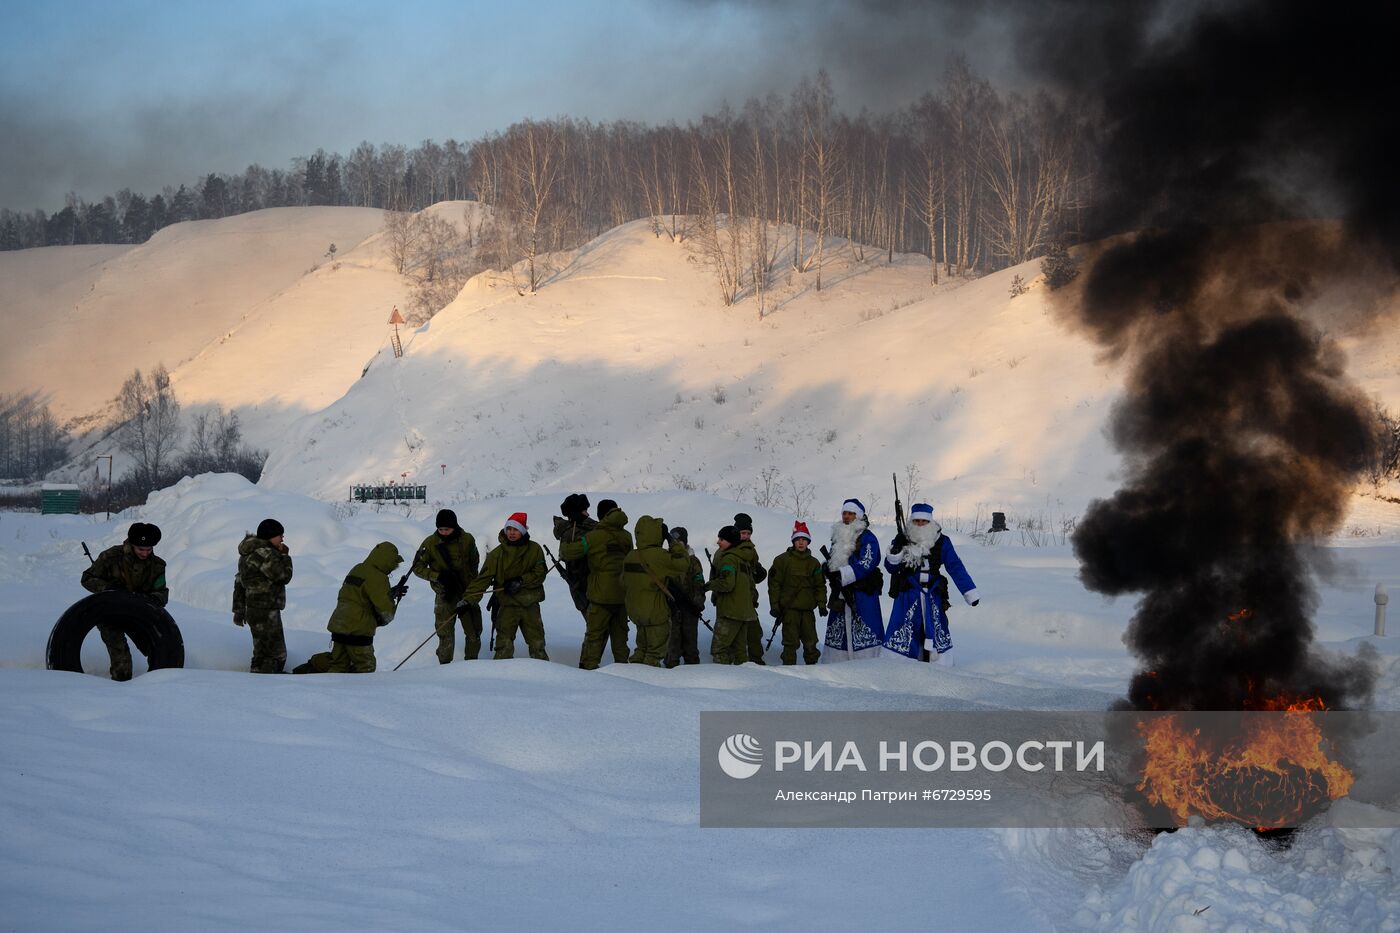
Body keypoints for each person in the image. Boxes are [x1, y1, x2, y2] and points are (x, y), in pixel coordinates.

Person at [883, 502, 980, 665]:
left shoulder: (942, 541)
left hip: (933, 595)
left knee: (934, 629)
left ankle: (937, 666)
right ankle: (898, 666)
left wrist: (969, 592)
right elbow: (890, 568)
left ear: (930, 522)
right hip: (908, 595)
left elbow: (955, 566)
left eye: (924, 521)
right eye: (916, 521)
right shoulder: (903, 539)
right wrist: (896, 549)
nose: (920, 524)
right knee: (903, 629)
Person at [80, 521, 168, 681]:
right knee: (122, 661)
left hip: (139, 615)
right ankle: (120, 693)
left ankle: (157, 688)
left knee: (157, 649)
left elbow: (161, 593)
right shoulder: (111, 557)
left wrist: (147, 600)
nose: (145, 553)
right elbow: (87, 578)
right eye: (141, 549)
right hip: (110, 613)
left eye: (149, 549)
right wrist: (107, 588)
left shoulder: (157, 566)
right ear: (132, 544)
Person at [464, 512, 549, 660]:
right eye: (509, 529)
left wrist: (521, 580)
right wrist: (468, 599)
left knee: (537, 644)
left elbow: (540, 572)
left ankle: (542, 676)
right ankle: (500, 679)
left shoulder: (535, 549)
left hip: (530, 604)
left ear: (522, 531)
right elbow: (482, 579)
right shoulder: (497, 554)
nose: (511, 533)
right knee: (503, 646)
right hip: (507, 605)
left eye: (515, 529)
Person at [560, 498, 633, 669]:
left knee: (594, 636)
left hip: (600, 596)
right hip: (623, 595)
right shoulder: (627, 536)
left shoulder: (593, 537)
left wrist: (567, 533)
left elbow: (567, 553)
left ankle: (588, 671)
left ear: (601, 516)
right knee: (621, 638)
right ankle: (624, 672)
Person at [412, 509, 482, 663]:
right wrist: (438, 576)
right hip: (444, 595)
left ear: (455, 526)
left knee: (474, 632)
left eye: (447, 529)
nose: (443, 532)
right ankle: (444, 669)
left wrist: (472, 589)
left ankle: (472, 665)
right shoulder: (430, 543)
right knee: (445, 634)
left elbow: (474, 563)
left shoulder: (467, 540)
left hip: (466, 593)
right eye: (440, 529)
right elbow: (417, 567)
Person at [326, 541, 406, 673]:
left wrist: (390, 593)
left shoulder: (358, 568)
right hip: (358, 632)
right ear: (388, 561)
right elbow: (387, 613)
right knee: (365, 670)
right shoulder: (379, 577)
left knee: (338, 667)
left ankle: (326, 692)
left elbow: (358, 596)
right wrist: (393, 601)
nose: (393, 568)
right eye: (394, 564)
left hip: (338, 626)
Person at [621, 516, 691, 666]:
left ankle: (633, 676)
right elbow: (683, 563)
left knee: (641, 649)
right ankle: (647, 684)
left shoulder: (630, 556)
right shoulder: (660, 556)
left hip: (636, 612)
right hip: (655, 613)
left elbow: (622, 581)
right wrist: (671, 541)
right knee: (654, 653)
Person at [823, 498, 885, 660]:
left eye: (851, 513)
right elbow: (834, 559)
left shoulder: (867, 537)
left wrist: (844, 575)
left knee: (865, 625)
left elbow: (868, 562)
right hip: (841, 592)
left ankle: (866, 661)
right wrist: (829, 569)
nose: (847, 517)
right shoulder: (837, 536)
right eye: (844, 513)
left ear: (858, 516)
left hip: (862, 591)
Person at [232, 518, 293, 673]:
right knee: (276, 653)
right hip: (267, 609)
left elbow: (239, 582)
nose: (282, 539)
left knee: (260, 650)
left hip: (252, 608)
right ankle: (271, 680)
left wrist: (239, 610)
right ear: (270, 536)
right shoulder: (265, 554)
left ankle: (258, 676)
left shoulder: (247, 554)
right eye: (280, 535)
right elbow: (283, 576)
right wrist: (285, 556)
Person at [767, 521, 827, 665]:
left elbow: (820, 585)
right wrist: (774, 605)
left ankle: (813, 672)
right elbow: (774, 584)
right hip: (789, 611)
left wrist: (821, 604)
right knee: (790, 644)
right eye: (798, 539)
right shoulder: (782, 560)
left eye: (804, 540)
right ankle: (789, 672)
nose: (801, 543)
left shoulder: (814, 563)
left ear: (808, 542)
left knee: (811, 643)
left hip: (807, 611)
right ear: (793, 541)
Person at [706, 525, 759, 665]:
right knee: (740, 652)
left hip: (730, 612)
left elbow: (727, 584)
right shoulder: (743, 560)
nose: (718, 542)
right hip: (744, 613)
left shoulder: (728, 559)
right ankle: (743, 682)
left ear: (730, 541)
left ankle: (723, 682)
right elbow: (751, 586)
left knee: (719, 650)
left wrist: (708, 585)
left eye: (721, 539)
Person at [663, 527, 708, 668]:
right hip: (671, 608)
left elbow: (699, 583)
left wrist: (697, 604)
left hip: (690, 609)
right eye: (673, 541)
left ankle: (692, 672)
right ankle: (671, 670)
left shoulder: (693, 561)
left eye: (679, 541)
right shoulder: (666, 559)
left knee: (690, 645)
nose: (675, 544)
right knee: (672, 645)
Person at [552, 493, 596, 619]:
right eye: (584, 511)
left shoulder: (582, 528)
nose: (587, 514)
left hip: (588, 584)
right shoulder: (571, 533)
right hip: (583, 586)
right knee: (595, 628)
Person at [734, 512, 768, 664]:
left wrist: (759, 573)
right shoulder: (729, 549)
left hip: (749, 599)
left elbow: (753, 572)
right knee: (733, 634)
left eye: (748, 533)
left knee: (755, 633)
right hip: (733, 600)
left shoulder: (751, 550)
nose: (746, 536)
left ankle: (756, 661)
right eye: (743, 533)